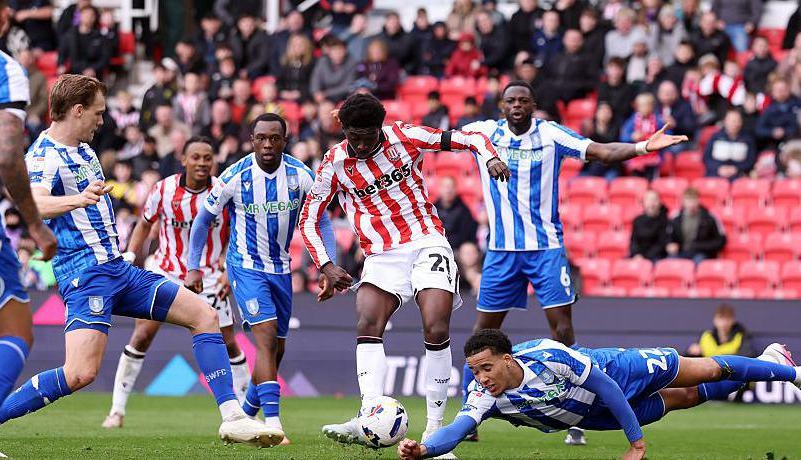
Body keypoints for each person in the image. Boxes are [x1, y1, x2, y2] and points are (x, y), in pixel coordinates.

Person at [0, 75, 284, 457]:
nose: (102, 120)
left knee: (204, 315)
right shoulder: (44, 155)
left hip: (118, 270)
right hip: (86, 275)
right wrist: (77, 200)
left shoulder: (85, 150)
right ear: (77, 111)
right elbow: (34, 203)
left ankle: (232, 416)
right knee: (80, 373)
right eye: (97, 113)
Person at [459, 80, 688, 446]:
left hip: (546, 249)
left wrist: (644, 146)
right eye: (510, 101)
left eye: (523, 100)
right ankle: (468, 416)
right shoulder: (483, 133)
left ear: (533, 105)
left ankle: (577, 410)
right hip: (501, 252)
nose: (517, 105)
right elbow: (430, 138)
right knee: (479, 335)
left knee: (563, 334)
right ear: (501, 107)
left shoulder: (549, 134)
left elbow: (602, 152)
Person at [299, 93, 510, 458]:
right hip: (381, 254)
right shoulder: (334, 161)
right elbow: (309, 217)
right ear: (344, 130)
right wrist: (326, 264)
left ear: (379, 127)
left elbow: (468, 138)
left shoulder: (404, 136)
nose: (362, 144)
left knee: (436, 327)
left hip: (427, 241)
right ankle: (369, 415)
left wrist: (489, 155)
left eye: (368, 135)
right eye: (354, 136)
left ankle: (435, 434)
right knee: (367, 319)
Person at [397, 329, 801, 460]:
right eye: (474, 372)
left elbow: (605, 385)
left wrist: (636, 443)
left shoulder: (547, 355)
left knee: (710, 367)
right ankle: (767, 359)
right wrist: (425, 451)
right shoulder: (483, 395)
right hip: (592, 415)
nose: (481, 379)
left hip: (616, 371)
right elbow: (458, 427)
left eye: (486, 369)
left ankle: (790, 372)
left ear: (507, 358)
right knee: (691, 397)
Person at [187, 113, 336, 444]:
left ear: (285, 140)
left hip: (281, 269)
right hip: (246, 267)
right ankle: (274, 423)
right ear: (251, 140)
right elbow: (202, 220)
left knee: (277, 350)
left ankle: (247, 413)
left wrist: (329, 264)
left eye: (274, 138)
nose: (267, 144)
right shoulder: (234, 176)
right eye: (261, 138)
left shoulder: (301, 176)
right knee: (266, 339)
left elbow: (322, 221)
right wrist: (193, 266)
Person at [101, 137, 251, 429]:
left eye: (207, 157)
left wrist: (228, 272)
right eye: (196, 157)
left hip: (209, 275)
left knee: (229, 342)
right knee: (142, 335)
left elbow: (239, 233)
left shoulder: (224, 191)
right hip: (166, 271)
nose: (202, 163)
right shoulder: (164, 189)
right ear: (184, 159)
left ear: (213, 161)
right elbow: (145, 223)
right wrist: (131, 254)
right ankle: (116, 411)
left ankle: (245, 411)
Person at [0, 3, 57, 456]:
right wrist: (35, 224)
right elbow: (8, 157)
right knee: (13, 332)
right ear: (6, 17)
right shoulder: (3, 69)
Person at [666, 188, 726, 263]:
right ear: (683, 201)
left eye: (694, 200)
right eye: (688, 200)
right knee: (669, 261)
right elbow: (668, 236)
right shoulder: (675, 218)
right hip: (681, 252)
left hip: (701, 253)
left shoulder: (709, 218)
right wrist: (670, 244)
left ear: (698, 200)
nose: (691, 204)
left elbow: (720, 240)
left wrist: (700, 246)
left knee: (699, 261)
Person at [704, 109, 756, 179]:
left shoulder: (748, 139)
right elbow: (706, 158)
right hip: (715, 174)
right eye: (731, 121)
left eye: (737, 121)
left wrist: (736, 169)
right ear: (724, 121)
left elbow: (750, 161)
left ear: (741, 122)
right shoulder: (715, 137)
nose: (734, 124)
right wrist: (718, 168)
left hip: (738, 175)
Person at [687, 304, 753, 358]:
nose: (724, 323)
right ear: (715, 320)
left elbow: (747, 357)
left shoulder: (741, 336)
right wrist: (693, 351)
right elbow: (689, 356)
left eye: (727, 319)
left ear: (733, 321)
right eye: (720, 318)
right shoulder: (706, 336)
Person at [630, 190, 669, 261]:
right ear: (644, 203)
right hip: (638, 257)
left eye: (654, 200)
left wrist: (646, 258)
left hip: (656, 257)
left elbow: (661, 244)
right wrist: (636, 254)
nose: (651, 203)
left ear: (660, 202)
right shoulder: (637, 220)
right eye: (648, 200)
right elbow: (634, 241)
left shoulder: (665, 220)